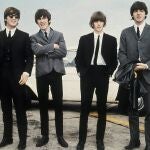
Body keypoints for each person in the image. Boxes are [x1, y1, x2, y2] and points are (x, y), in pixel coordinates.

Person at [75, 11, 118, 150]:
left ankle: (100, 140)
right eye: (96, 21)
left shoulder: (111, 40)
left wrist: (109, 72)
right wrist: (81, 72)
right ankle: (81, 141)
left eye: (101, 21)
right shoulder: (84, 39)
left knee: (102, 109)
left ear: (104, 23)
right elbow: (78, 58)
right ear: (92, 23)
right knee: (84, 108)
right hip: (87, 74)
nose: (98, 23)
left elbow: (114, 60)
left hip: (102, 74)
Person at [30, 9, 68, 148]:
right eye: (39, 19)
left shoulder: (59, 34)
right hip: (42, 75)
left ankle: (60, 136)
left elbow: (63, 52)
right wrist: (53, 46)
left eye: (44, 18)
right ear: (37, 22)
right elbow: (37, 51)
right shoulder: (33, 37)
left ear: (48, 19)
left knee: (59, 105)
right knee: (43, 106)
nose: (41, 20)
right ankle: (44, 136)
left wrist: (45, 49)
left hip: (56, 73)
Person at [0, 7, 33, 150]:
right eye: (11, 16)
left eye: (16, 17)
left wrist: (26, 73)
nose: (14, 18)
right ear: (5, 18)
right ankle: (7, 138)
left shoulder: (24, 36)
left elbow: (30, 58)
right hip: (2, 80)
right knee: (5, 110)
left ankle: (23, 141)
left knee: (20, 110)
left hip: (18, 79)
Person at [118, 1, 150, 150]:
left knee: (149, 111)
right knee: (132, 111)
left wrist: (147, 65)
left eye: (141, 10)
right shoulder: (125, 32)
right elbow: (121, 53)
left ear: (145, 13)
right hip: (132, 77)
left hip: (148, 76)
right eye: (135, 11)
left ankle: (149, 144)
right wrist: (131, 68)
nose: (138, 13)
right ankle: (134, 141)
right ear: (132, 14)